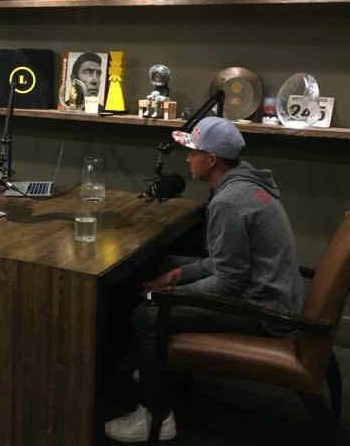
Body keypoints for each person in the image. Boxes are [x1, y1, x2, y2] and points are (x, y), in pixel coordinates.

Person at [104, 117, 305, 443]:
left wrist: (170, 294)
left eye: (193, 151)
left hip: (266, 308)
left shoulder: (227, 202)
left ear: (211, 159)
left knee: (147, 312)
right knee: (164, 263)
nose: (187, 159)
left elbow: (228, 282)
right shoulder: (245, 183)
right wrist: (179, 274)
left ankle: (157, 416)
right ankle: (152, 360)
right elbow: (228, 261)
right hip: (272, 290)